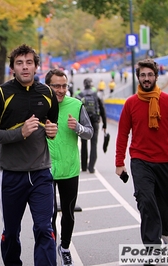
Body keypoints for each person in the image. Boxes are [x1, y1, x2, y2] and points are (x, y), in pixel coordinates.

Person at [0, 44, 59, 266]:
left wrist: (53, 132)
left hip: (41, 174)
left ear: (36, 66)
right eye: (19, 63)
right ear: (12, 68)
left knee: (45, 228)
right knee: (11, 233)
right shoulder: (0, 94)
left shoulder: (48, 93)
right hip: (12, 175)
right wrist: (19, 133)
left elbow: (50, 125)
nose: (25, 67)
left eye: (29, 63)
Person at [115, 58, 168, 246]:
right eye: (143, 75)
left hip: (166, 160)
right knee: (146, 203)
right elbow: (122, 134)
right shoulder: (130, 103)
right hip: (140, 161)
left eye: (150, 75)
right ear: (138, 77)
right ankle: (151, 249)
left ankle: (166, 232)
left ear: (156, 76)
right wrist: (119, 162)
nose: (146, 79)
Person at [45, 69, 93, 266]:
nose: (61, 90)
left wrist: (78, 128)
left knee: (68, 213)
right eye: (56, 86)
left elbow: (89, 132)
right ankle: (50, 249)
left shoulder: (76, 104)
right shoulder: (40, 106)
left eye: (64, 86)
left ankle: (64, 247)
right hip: (45, 169)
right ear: (48, 86)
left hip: (69, 169)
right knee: (48, 214)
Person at [78, 78, 107, 173]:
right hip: (94, 122)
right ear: (91, 84)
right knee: (94, 144)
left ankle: (84, 166)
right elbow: (102, 109)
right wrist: (104, 124)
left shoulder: (80, 95)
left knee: (84, 144)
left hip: (84, 122)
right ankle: (91, 167)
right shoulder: (96, 95)